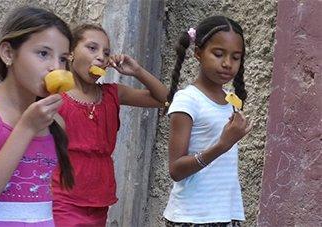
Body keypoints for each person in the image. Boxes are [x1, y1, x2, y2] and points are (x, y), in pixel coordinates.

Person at [0, 6, 75, 227]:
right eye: (43, 53)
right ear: (8, 53)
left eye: (63, 59)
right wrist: (27, 127)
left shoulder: (55, 122)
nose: (55, 68)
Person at [51, 24, 168, 227]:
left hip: (99, 202)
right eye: (92, 48)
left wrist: (137, 71)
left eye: (106, 52)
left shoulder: (113, 93)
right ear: (70, 53)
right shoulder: (54, 98)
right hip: (62, 200)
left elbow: (164, 99)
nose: (101, 57)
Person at [163, 16, 254, 227]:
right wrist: (223, 145)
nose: (227, 64)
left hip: (226, 215)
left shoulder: (232, 103)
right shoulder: (188, 100)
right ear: (198, 53)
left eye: (235, 57)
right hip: (192, 218)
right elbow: (176, 169)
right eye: (218, 54)